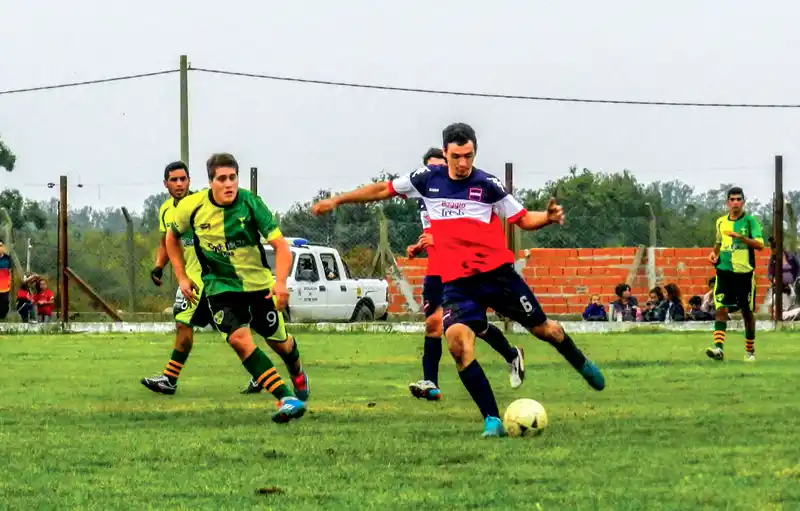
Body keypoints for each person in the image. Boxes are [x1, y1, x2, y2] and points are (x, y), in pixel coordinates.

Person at [312, 122, 605, 437]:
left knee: (544, 330)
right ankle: (492, 418)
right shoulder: (426, 180)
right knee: (457, 344)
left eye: (469, 155)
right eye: (457, 156)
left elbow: (522, 218)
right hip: (459, 284)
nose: (463, 163)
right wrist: (338, 200)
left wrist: (547, 218)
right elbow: (383, 189)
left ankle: (581, 362)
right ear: (446, 153)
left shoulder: (488, 185)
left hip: (497, 276)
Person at [167, 152, 307, 423]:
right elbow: (171, 238)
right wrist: (182, 277)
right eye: (222, 179)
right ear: (211, 182)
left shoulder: (251, 204)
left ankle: (298, 371)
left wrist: (280, 284)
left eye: (232, 177)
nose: (229, 184)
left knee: (280, 344)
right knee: (238, 340)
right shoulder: (191, 207)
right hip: (220, 287)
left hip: (258, 286)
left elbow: (280, 246)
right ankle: (285, 396)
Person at [405, 147, 525, 401]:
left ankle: (511, 354)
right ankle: (431, 383)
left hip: (463, 272)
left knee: (477, 326)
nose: (436, 172)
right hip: (436, 270)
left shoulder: (463, 195)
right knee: (433, 324)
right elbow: (432, 233)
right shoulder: (426, 198)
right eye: (431, 168)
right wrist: (420, 245)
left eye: (440, 166)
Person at [141, 161, 215, 395]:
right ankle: (169, 379)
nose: (180, 183)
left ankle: (169, 379)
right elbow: (167, 242)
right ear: (166, 184)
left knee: (188, 324)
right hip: (189, 277)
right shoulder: (165, 210)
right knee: (192, 324)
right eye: (174, 180)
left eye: (183, 179)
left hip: (207, 276)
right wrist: (158, 266)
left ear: (190, 181)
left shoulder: (202, 204)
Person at [706, 187, 764, 362]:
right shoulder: (721, 222)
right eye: (732, 199)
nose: (735, 203)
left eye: (739, 199)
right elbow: (718, 243)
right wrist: (713, 254)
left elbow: (760, 245)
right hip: (724, 272)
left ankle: (750, 350)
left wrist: (741, 238)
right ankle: (718, 349)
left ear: (743, 202)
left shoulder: (750, 222)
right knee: (720, 308)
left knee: (746, 312)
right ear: (727, 203)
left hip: (744, 274)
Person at [0, 239, 12, 320]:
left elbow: (10, 272)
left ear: (3, 247)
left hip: (5, 287)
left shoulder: (8, 258)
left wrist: (9, 282)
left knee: (4, 305)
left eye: (0, 245)